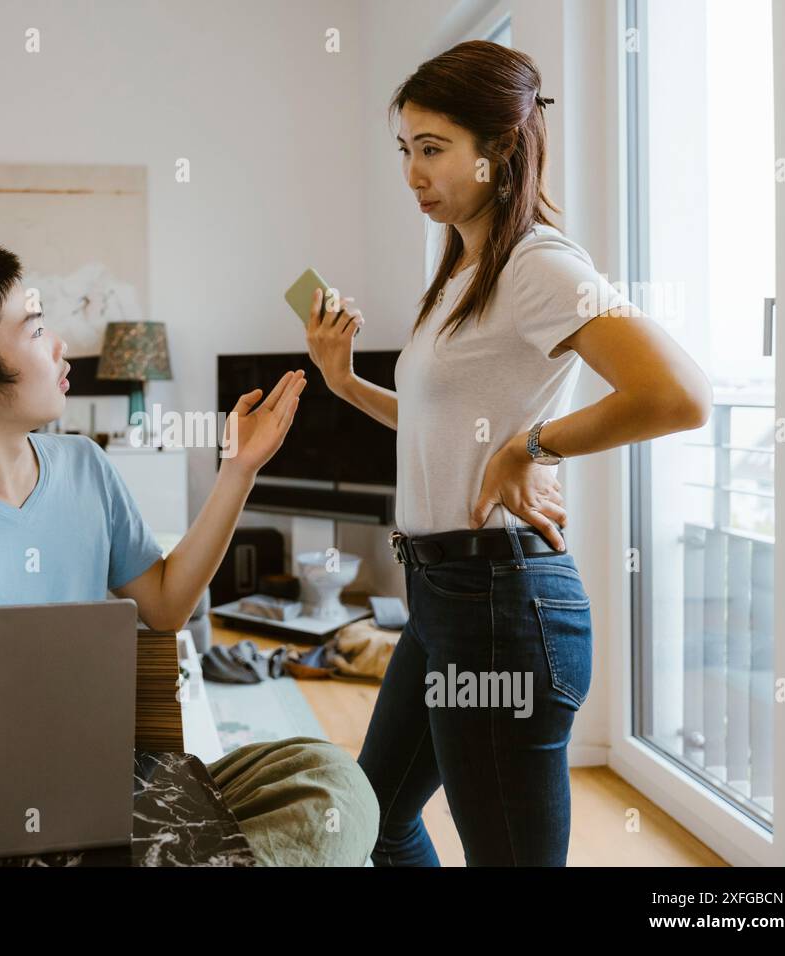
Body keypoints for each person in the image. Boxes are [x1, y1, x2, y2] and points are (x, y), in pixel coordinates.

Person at [0, 243, 380, 866]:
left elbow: (166, 604)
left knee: (330, 781)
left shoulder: (85, 469)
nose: (60, 344)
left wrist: (238, 471)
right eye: (35, 328)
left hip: (104, 795)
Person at [305, 40, 712, 866]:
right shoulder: (461, 272)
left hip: (501, 601)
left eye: (432, 150)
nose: (413, 174)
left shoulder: (538, 265)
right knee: (375, 819)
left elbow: (678, 395)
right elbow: (443, 430)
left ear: (499, 151)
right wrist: (343, 383)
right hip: (443, 595)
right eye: (405, 151)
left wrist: (535, 444)